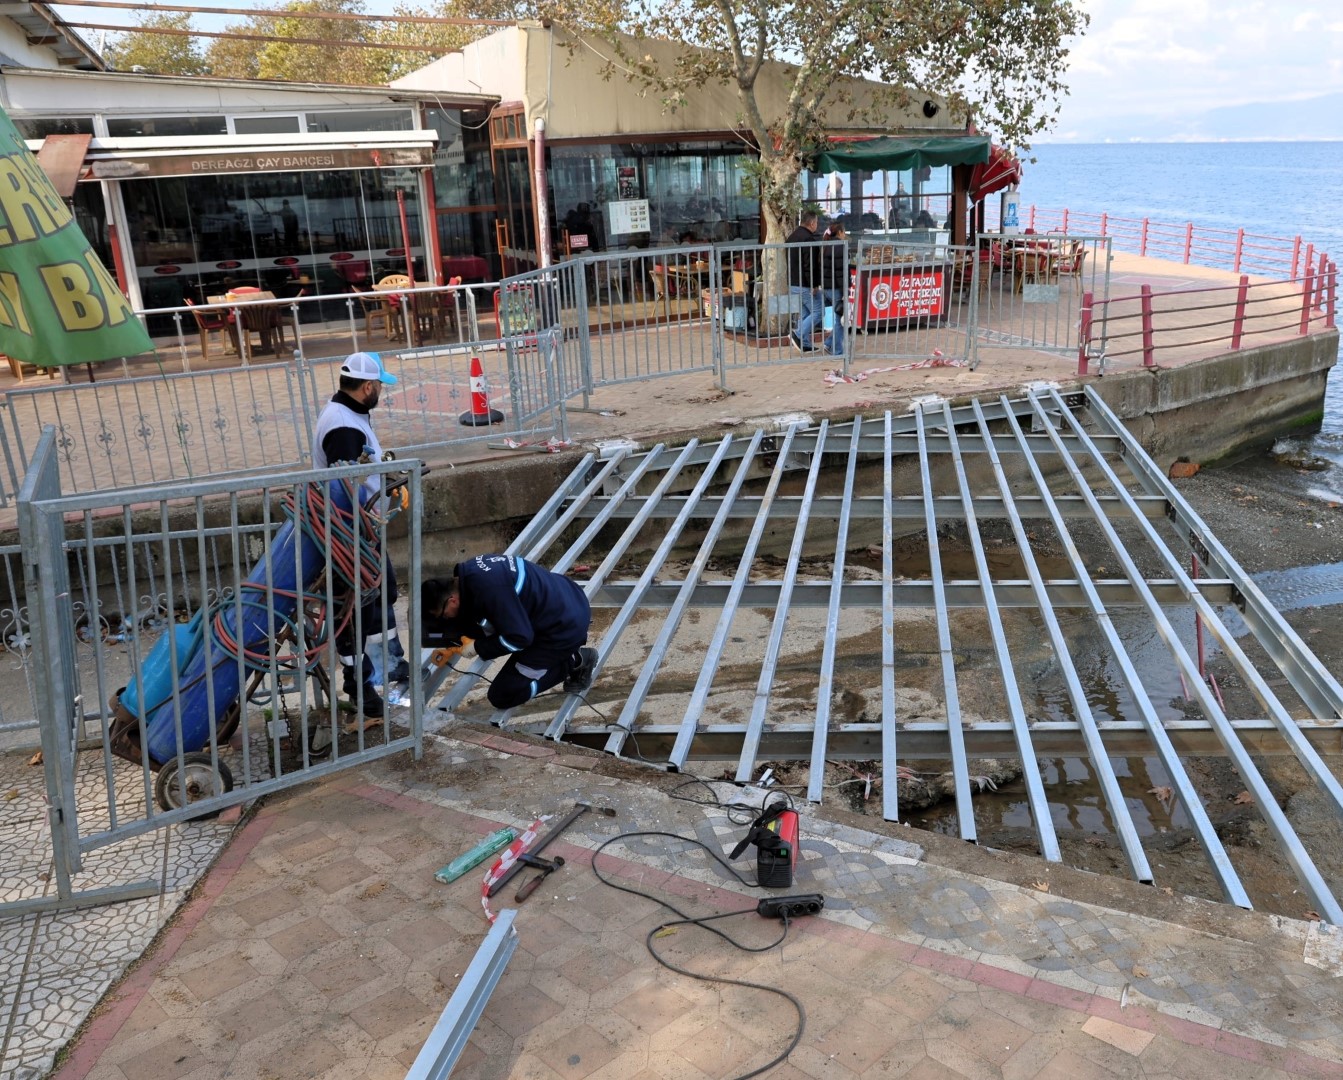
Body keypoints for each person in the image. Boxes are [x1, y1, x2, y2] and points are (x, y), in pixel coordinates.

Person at [312, 351, 407, 718]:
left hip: (359, 533)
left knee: (382, 594)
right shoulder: (344, 427)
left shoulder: (349, 415)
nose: (380, 392)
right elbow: (345, 487)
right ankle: (361, 686)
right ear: (367, 386)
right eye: (379, 386)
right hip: (349, 536)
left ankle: (387, 666)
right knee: (353, 610)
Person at [422, 555, 596, 710]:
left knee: (502, 695)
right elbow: (486, 612)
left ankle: (574, 660)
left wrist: (478, 647)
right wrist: (454, 641)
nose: (446, 619)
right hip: (567, 596)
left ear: (452, 601)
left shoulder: (490, 591)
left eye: (444, 615)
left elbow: (519, 639)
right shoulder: (471, 572)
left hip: (562, 629)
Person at [786, 210, 824, 352]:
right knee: (818, 311)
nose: (817, 226)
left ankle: (805, 343)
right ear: (812, 223)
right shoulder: (808, 239)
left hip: (793, 281)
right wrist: (814, 284)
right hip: (804, 283)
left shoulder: (792, 237)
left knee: (806, 313)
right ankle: (798, 334)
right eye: (817, 223)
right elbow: (810, 265)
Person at [819, 223, 849, 357]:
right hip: (836, 287)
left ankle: (829, 342)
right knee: (841, 320)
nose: (845, 235)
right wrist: (844, 291)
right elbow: (841, 272)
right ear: (840, 233)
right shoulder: (840, 247)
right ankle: (837, 351)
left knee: (839, 318)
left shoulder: (826, 245)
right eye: (844, 232)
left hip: (826, 286)